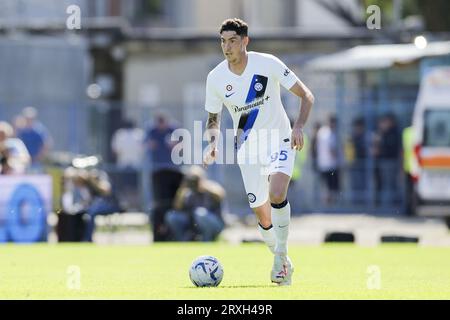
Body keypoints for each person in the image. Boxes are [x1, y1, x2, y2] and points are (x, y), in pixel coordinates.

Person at [202, 18, 314, 285]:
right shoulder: (216, 77)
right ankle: (281, 258)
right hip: (248, 151)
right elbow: (213, 119)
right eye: (222, 41)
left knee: (277, 193)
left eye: (232, 41)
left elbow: (306, 95)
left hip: (280, 140)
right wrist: (212, 143)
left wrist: (298, 126)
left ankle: (280, 259)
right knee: (262, 215)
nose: (226, 47)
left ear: (245, 41)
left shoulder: (268, 63)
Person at [165, 166, 225, 241]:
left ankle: (207, 240)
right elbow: (177, 207)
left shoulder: (211, 188)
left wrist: (203, 186)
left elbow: (221, 194)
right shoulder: (188, 192)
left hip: (215, 223)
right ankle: (182, 241)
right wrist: (183, 188)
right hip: (193, 223)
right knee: (172, 216)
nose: (193, 182)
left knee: (200, 213)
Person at [111, 119, 144, 209]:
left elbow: (115, 151)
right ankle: (134, 205)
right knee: (135, 187)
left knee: (125, 187)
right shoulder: (139, 134)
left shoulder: (120, 134)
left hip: (123, 164)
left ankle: (127, 205)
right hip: (136, 165)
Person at [15, 107, 53, 173]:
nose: (28, 120)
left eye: (30, 118)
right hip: (23, 161)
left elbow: (46, 144)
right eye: (26, 118)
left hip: (35, 161)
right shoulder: (21, 130)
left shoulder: (39, 130)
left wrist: (38, 157)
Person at [316, 115, 341, 205]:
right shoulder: (329, 133)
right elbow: (332, 150)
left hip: (322, 163)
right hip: (330, 164)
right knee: (331, 186)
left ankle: (327, 202)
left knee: (326, 185)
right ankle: (329, 203)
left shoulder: (321, 132)